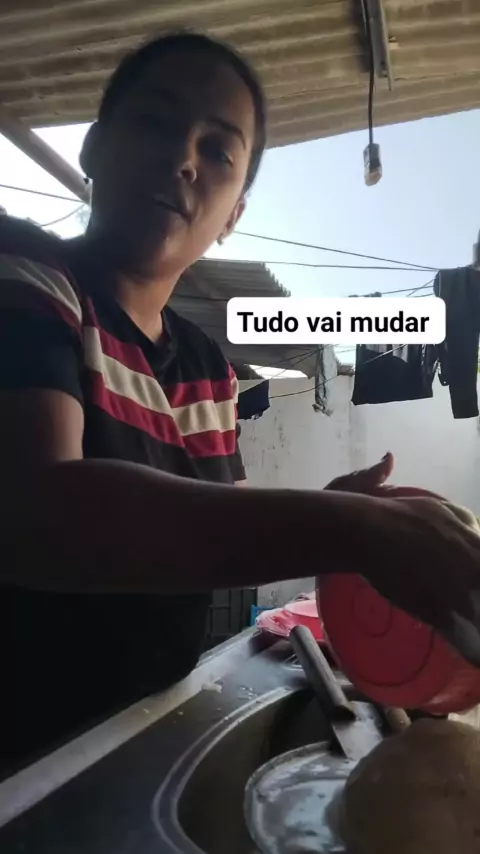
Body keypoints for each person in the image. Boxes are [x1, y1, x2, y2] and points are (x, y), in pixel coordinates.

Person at [1, 31, 480, 769]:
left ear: (233, 214)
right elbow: (35, 510)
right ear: (94, 147)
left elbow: (216, 526)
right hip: (24, 760)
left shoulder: (207, 366)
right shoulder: (27, 275)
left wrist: (330, 507)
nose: (182, 159)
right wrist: (349, 527)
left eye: (218, 151)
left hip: (142, 733)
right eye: (155, 122)